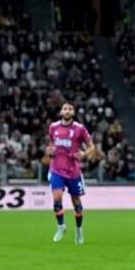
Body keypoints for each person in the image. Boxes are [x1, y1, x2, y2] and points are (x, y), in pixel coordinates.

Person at [45, 102, 97, 244]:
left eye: (70, 109)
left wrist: (85, 154)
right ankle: (61, 226)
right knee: (57, 197)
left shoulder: (79, 129)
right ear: (61, 112)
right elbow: (50, 144)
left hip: (73, 171)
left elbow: (92, 147)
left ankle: (79, 231)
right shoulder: (53, 127)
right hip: (56, 168)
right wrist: (49, 150)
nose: (67, 111)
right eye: (65, 109)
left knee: (76, 203)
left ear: (73, 112)